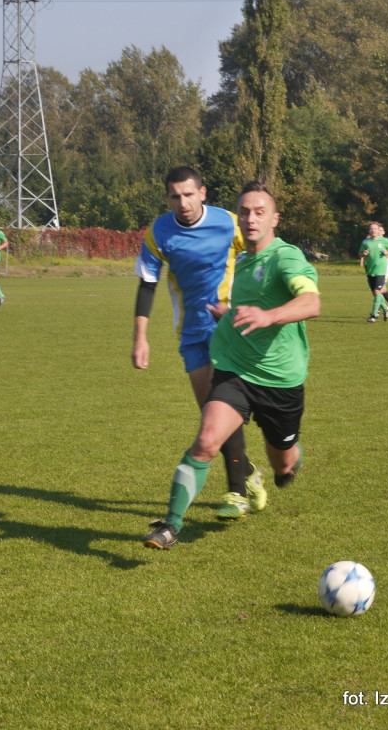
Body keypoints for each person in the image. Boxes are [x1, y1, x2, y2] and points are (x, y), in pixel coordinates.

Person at [143, 181, 320, 549]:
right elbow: (249, 309)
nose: (251, 218)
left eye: (259, 212)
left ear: (274, 218)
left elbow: (310, 303)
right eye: (244, 212)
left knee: (282, 464)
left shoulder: (286, 257)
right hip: (235, 368)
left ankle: (292, 459)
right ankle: (170, 526)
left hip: (280, 379)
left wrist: (269, 316)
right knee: (207, 440)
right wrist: (230, 315)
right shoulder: (242, 259)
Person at [133, 166, 265, 521]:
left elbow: (261, 252)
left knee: (222, 408)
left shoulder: (228, 223)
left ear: (202, 193)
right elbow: (147, 285)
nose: (183, 202)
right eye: (175, 196)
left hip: (229, 332)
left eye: (189, 194)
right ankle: (249, 473)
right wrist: (140, 338)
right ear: (167, 198)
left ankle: (237, 493)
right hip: (191, 335)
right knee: (212, 416)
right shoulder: (158, 232)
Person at [359, 221, 388, 322]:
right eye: (371, 229)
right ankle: (386, 308)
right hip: (370, 269)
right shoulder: (365, 242)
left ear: (378, 230)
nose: (373, 230)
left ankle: (374, 315)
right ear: (369, 230)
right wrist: (363, 254)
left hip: (381, 270)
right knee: (375, 293)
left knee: (377, 291)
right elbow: (360, 253)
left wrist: (387, 252)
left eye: (375, 229)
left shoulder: (385, 241)